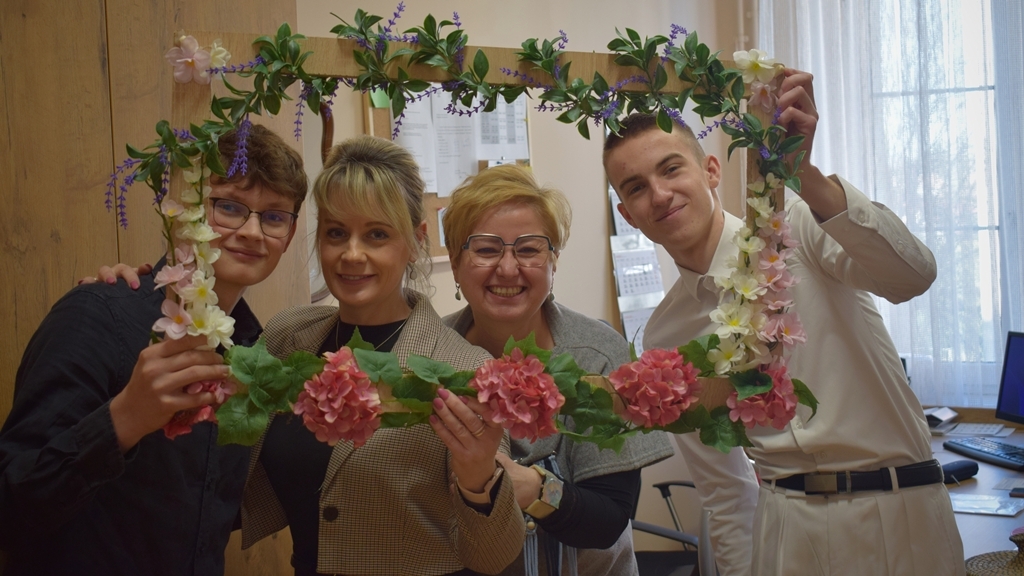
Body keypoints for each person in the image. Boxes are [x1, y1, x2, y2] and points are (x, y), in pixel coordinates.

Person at [603, 69, 965, 576]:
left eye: (671, 169)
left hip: (899, 511)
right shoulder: (666, 335)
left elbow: (913, 276)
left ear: (711, 170)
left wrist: (806, 176)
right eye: (637, 188)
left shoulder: (796, 226)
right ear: (628, 214)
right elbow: (726, 493)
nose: (660, 194)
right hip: (783, 534)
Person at [0, 124, 308, 575]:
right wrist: (124, 419)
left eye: (274, 217)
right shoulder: (97, 315)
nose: (252, 232)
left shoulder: (251, 351)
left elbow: (208, 510)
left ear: (291, 233)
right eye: (228, 207)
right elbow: (10, 506)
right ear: (186, 212)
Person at [239, 135, 525, 576]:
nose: (352, 254)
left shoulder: (461, 369)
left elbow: (494, 556)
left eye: (377, 234)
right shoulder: (288, 336)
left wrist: (478, 477)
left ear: (415, 241)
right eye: (337, 233)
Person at [441, 164, 675, 576]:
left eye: (529, 249)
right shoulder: (428, 356)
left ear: (554, 261)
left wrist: (529, 486)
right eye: (486, 249)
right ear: (455, 263)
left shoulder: (599, 356)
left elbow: (608, 521)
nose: (508, 268)